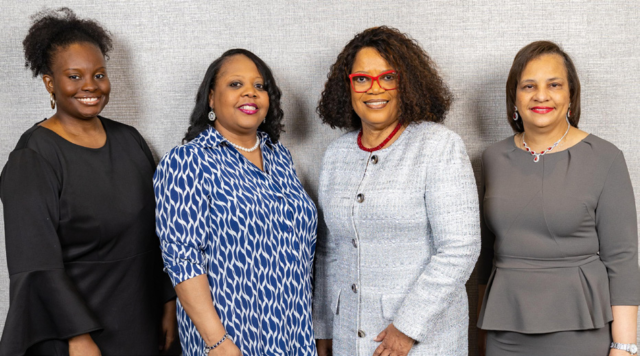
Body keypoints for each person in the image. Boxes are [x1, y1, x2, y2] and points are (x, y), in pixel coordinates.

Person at [0, 8, 178, 356]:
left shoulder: (131, 142)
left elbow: (160, 233)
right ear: (50, 82)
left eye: (99, 74)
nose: (90, 87)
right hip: (73, 332)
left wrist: (168, 301)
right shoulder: (33, 159)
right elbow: (35, 265)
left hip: (140, 321)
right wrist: (77, 336)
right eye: (74, 76)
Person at [313, 26, 481, 356]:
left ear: (406, 83)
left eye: (387, 77)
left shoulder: (438, 146)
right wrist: (324, 327)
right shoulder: (336, 155)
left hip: (423, 341)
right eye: (362, 78)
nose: (374, 88)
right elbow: (329, 250)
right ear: (347, 86)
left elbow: (460, 248)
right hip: (349, 338)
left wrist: (406, 328)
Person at [477, 41, 640, 356]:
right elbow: (487, 256)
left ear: (570, 96)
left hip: (580, 330)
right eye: (529, 86)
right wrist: (480, 335)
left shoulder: (605, 157)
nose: (541, 95)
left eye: (554, 85)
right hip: (505, 331)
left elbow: (622, 259)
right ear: (514, 97)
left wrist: (625, 346)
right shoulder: (493, 157)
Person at [154, 48, 318, 356]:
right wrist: (217, 342)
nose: (250, 93)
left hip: (293, 333)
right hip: (230, 338)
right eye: (235, 84)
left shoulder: (279, 156)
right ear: (211, 99)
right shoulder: (188, 161)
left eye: (260, 86)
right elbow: (182, 260)